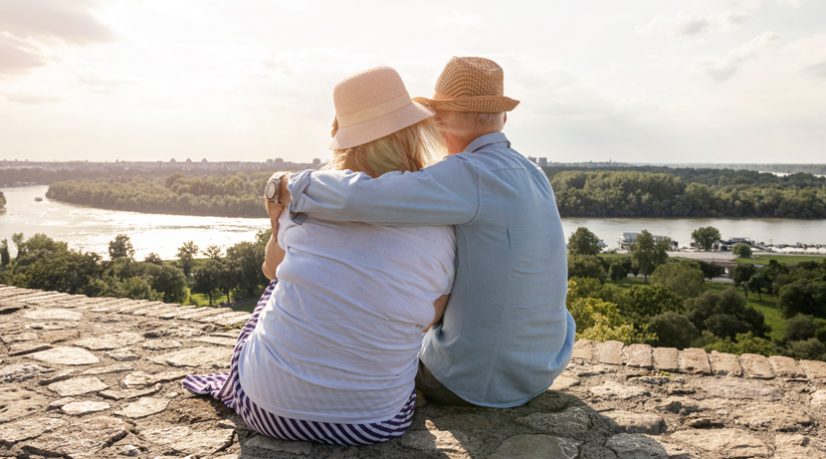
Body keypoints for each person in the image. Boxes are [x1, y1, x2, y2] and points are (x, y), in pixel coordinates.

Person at [273, 56, 575, 408]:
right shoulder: (533, 174)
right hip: (542, 367)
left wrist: (290, 186)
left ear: (440, 118)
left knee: (381, 353)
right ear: (502, 118)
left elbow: (366, 197)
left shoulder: (467, 174)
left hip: (476, 381)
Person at [183, 66, 456, 445]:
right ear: (411, 134)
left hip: (267, 411)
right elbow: (432, 316)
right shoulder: (440, 220)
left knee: (277, 286)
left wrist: (276, 215)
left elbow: (271, 269)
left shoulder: (308, 200)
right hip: (375, 422)